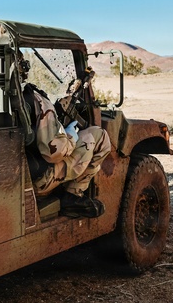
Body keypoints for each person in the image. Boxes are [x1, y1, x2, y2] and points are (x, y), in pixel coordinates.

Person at [23, 76, 111, 219]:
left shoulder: (1, 96)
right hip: (39, 181)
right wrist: (70, 137)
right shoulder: (35, 99)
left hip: (19, 178)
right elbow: (53, 153)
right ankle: (73, 195)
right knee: (98, 136)